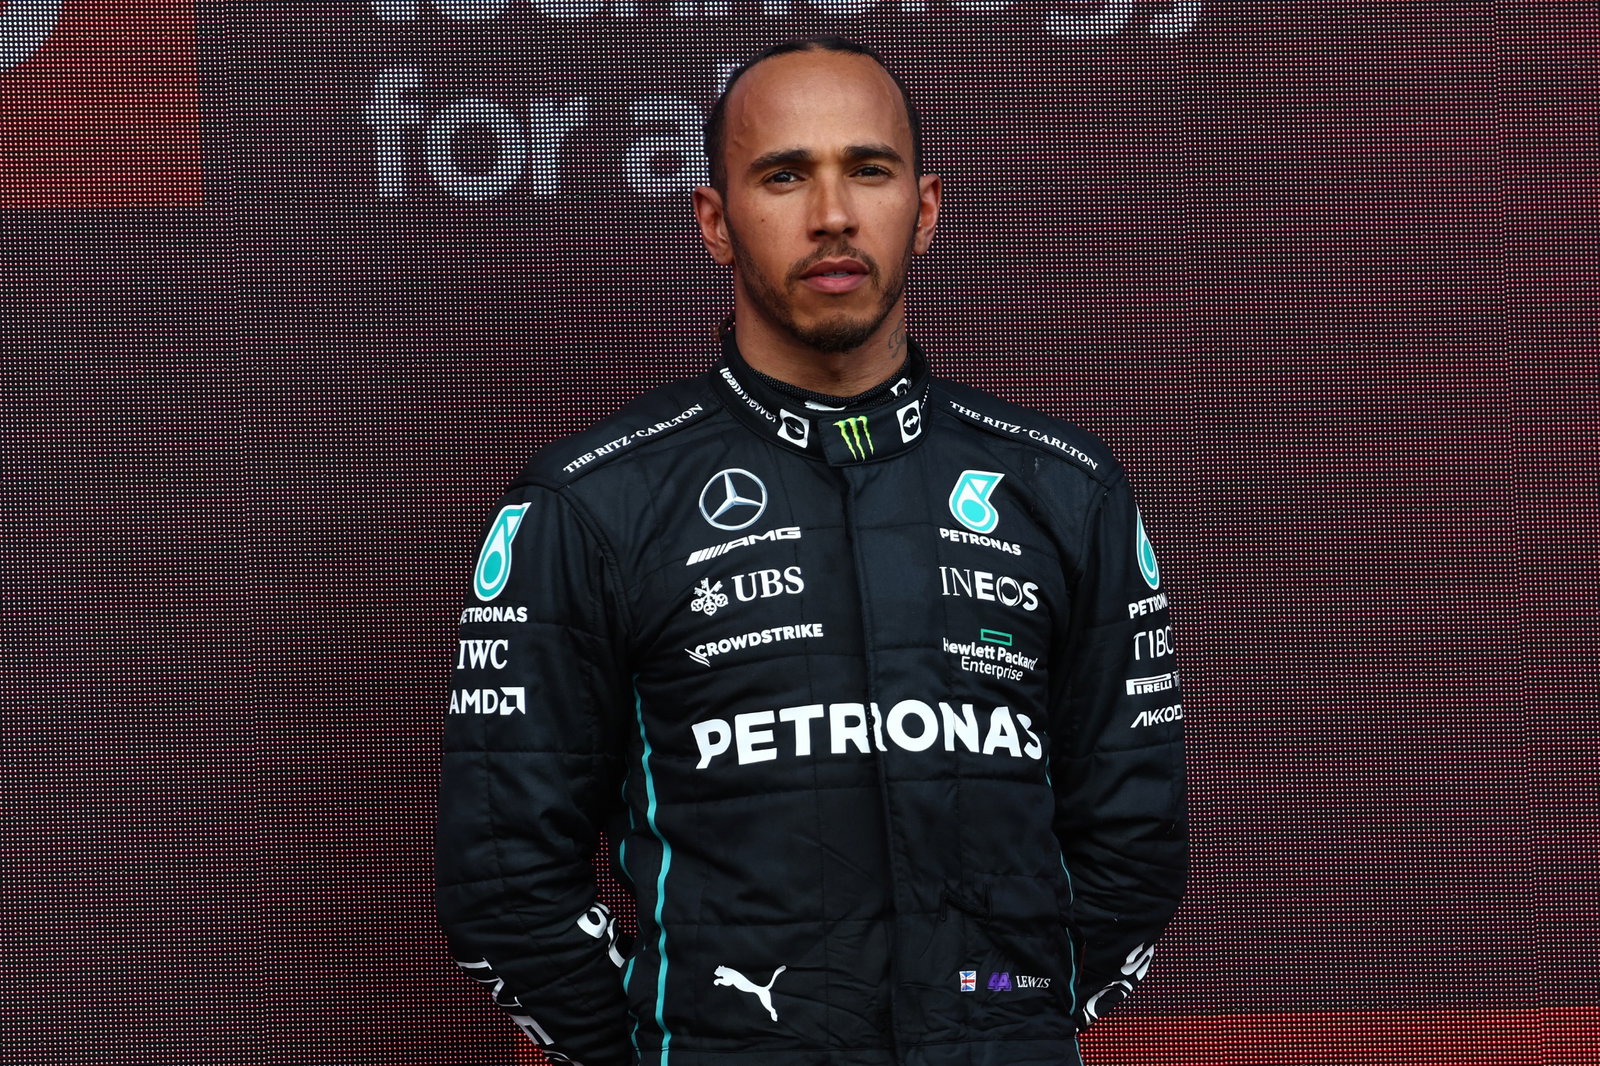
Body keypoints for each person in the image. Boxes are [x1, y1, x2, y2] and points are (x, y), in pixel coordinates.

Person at [437, 36, 1187, 1066]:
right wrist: (676, 1045)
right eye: (784, 175)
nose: (832, 214)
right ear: (715, 221)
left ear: (924, 209)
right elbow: (502, 875)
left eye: (867, 170)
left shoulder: (1063, 488)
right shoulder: (591, 501)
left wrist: (1003, 1014)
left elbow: (1134, 846)